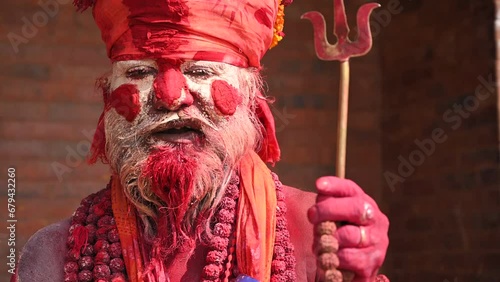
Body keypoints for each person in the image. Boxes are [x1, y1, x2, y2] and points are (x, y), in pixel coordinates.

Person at [12, 0, 389, 281]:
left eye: (201, 70)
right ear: (107, 99)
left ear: (251, 98)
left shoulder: (316, 234)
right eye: (141, 72)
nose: (171, 95)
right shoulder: (53, 256)